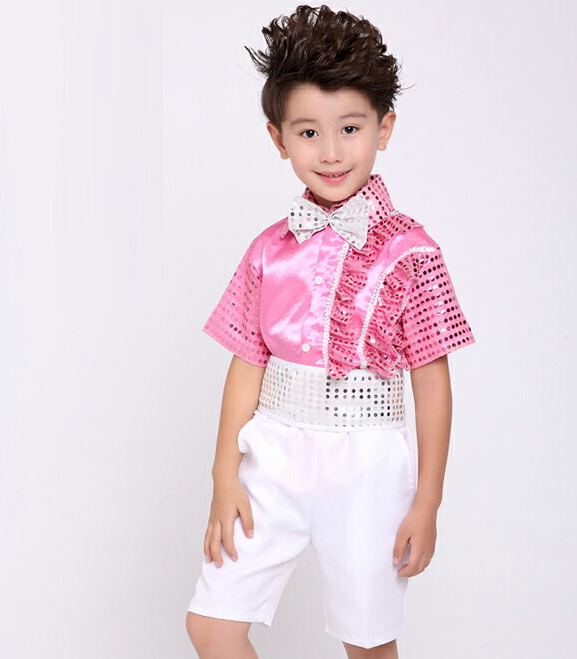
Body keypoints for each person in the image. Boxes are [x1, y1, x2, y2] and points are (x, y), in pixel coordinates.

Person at [185, 5, 475, 658]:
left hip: (367, 462)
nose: (332, 151)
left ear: (384, 127)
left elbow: (432, 382)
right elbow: (247, 361)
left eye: (350, 128)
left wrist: (427, 501)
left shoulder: (413, 252)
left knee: (367, 643)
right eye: (309, 132)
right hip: (273, 452)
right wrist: (224, 475)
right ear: (278, 138)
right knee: (212, 623)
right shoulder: (268, 249)